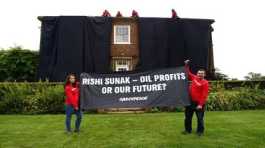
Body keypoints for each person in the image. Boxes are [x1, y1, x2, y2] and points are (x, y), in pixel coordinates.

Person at [182, 60, 209, 136]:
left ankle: (200, 132)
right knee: (187, 118)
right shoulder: (194, 78)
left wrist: (200, 104)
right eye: (199, 73)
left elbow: (204, 95)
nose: (200, 75)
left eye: (202, 74)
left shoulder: (205, 83)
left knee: (200, 119)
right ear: (197, 74)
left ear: (204, 75)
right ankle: (188, 130)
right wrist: (186, 65)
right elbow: (187, 72)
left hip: (199, 104)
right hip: (190, 102)